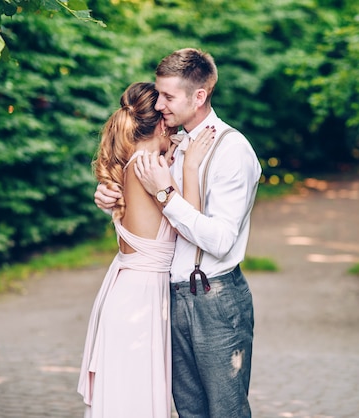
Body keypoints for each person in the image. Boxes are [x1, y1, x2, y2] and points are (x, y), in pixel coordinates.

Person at [94, 48, 262, 418]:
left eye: (168, 97)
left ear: (198, 96)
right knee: (189, 412)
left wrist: (166, 194)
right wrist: (110, 197)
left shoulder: (231, 151)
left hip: (214, 300)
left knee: (226, 411)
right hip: (170, 299)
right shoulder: (171, 146)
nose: (161, 105)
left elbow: (220, 240)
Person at [78, 81, 216, 418]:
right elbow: (190, 225)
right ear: (157, 123)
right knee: (135, 400)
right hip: (140, 299)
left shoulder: (140, 163)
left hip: (132, 293)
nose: (172, 124)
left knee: (129, 398)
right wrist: (189, 167)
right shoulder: (148, 168)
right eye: (166, 118)